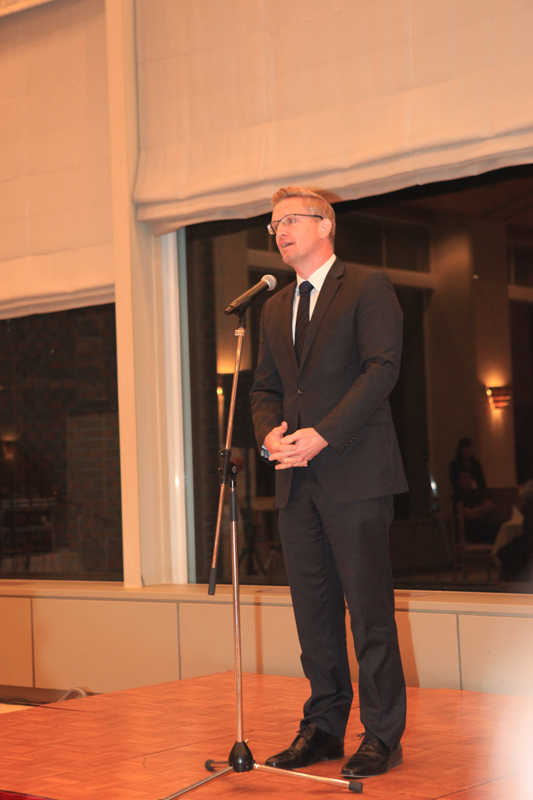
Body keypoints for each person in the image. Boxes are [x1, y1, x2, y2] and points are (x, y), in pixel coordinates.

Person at [250, 187, 408, 779]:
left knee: (369, 614)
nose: (280, 231)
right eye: (274, 224)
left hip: (356, 473)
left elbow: (381, 370)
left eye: (290, 219)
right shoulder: (273, 307)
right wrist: (269, 436)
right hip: (296, 482)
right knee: (313, 615)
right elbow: (266, 388)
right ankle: (322, 727)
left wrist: (324, 434)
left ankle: (382, 735)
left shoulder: (367, 286)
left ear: (325, 225)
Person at [452, 471, 499, 544]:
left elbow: (490, 506)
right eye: (464, 477)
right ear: (457, 482)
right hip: (470, 528)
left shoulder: (477, 493)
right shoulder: (457, 496)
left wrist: (476, 510)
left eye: (469, 477)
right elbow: (469, 515)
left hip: (483, 524)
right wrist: (482, 511)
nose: (468, 479)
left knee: (500, 526)